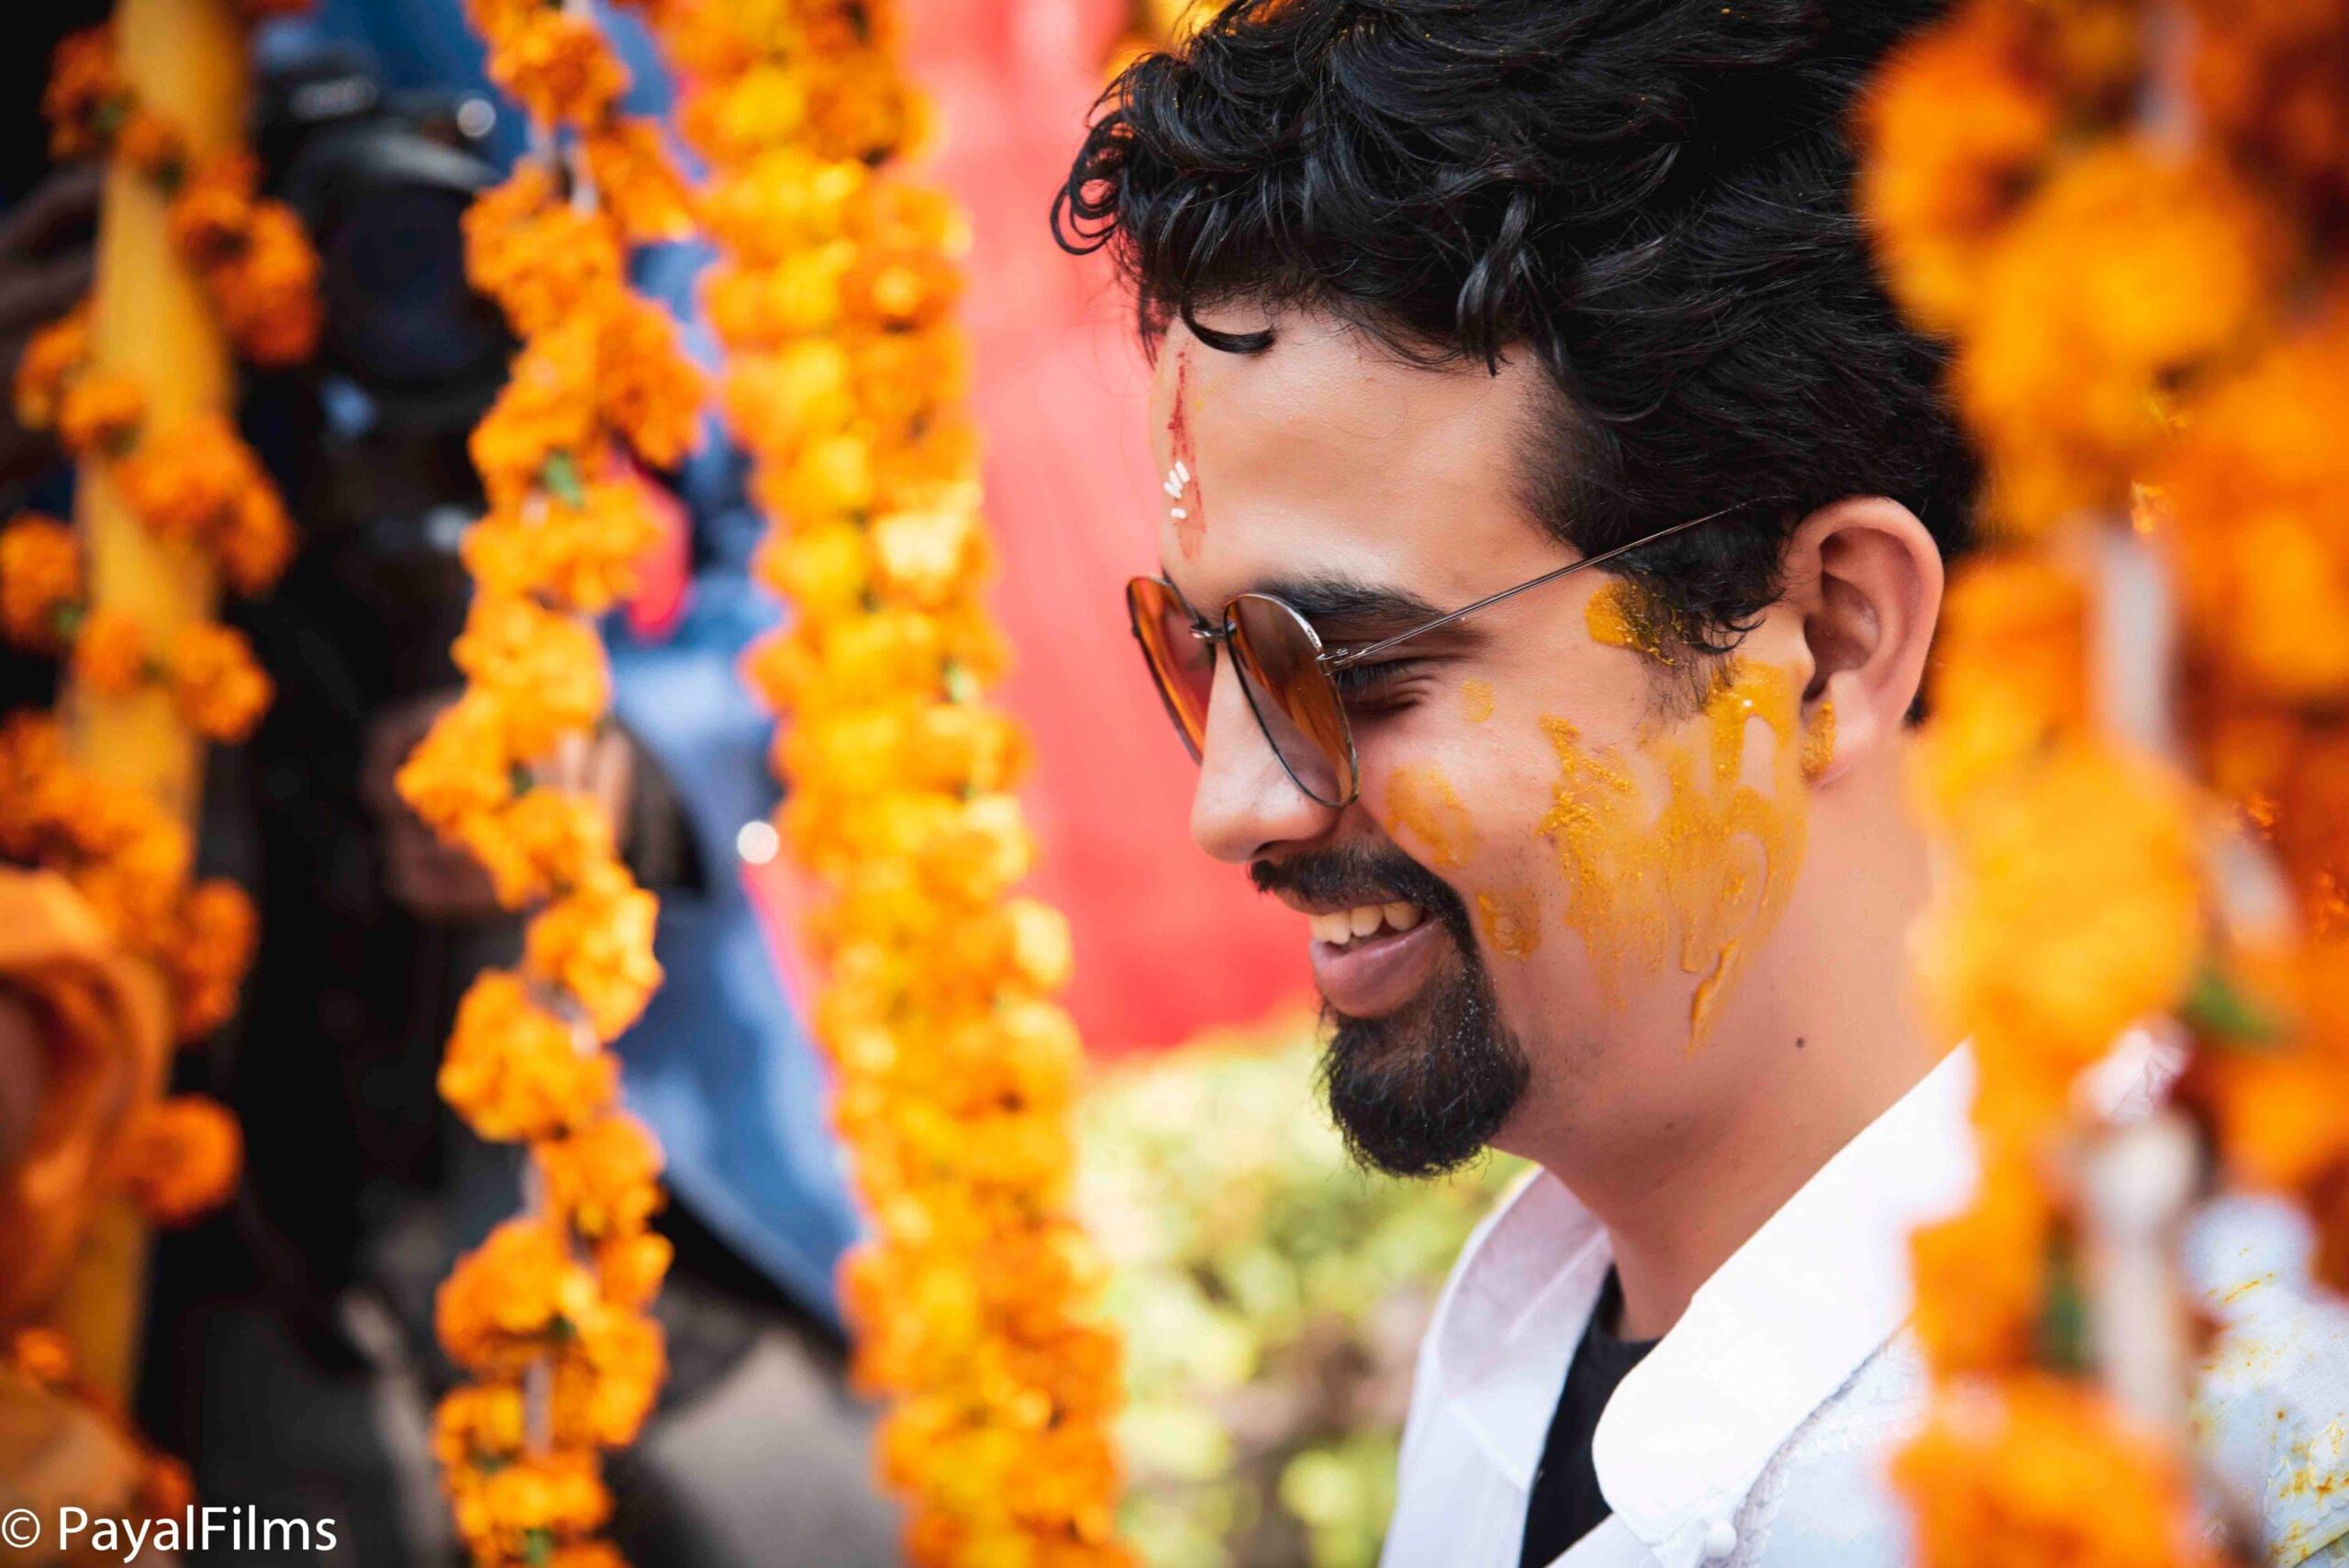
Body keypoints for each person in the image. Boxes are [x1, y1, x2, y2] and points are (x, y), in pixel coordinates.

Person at [1053, 4, 2349, 1566]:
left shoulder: (2245, 1447)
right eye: (1203, 652)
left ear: (1831, 634)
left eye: (1349, 664)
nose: (1233, 804)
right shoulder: (1528, 1342)